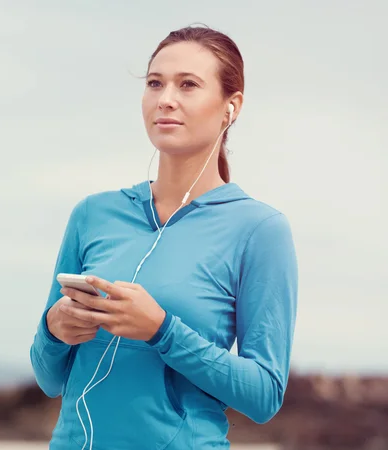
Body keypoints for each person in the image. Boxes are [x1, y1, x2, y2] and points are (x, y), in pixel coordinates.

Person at [29, 25, 298, 450]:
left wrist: (162, 330)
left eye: (188, 85)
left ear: (231, 107)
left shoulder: (259, 230)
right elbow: (49, 379)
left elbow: (265, 395)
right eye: (155, 83)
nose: (165, 98)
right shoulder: (93, 214)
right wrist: (53, 328)